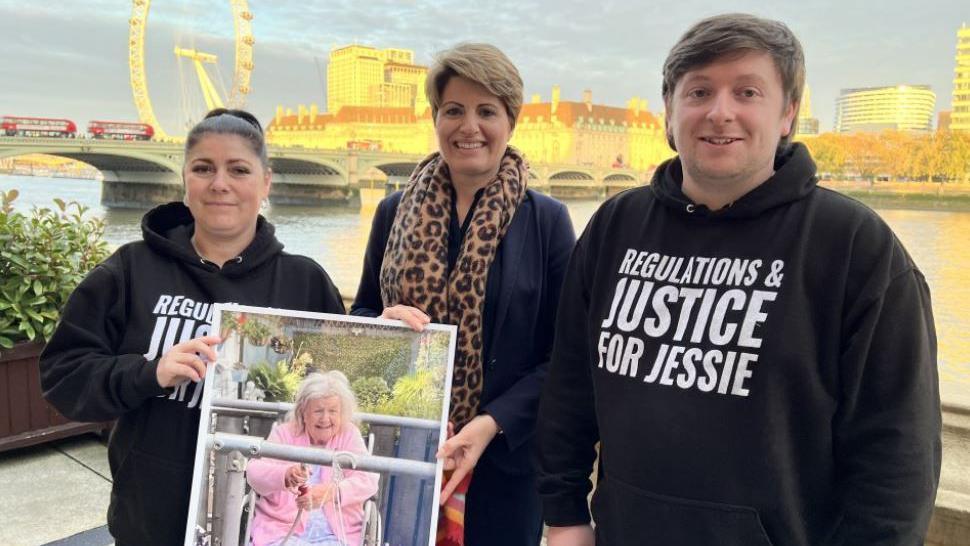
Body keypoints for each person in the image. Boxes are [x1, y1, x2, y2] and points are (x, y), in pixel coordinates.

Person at [536, 13, 941, 546]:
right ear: (670, 111)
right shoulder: (615, 226)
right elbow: (570, 385)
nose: (719, 112)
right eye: (699, 91)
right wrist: (563, 515)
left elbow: (898, 458)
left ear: (787, 114)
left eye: (747, 92)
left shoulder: (855, 249)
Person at [39, 108, 346, 546]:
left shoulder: (305, 281)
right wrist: (149, 373)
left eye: (238, 169)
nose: (219, 183)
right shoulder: (129, 269)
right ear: (185, 178)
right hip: (150, 524)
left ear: (265, 183)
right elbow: (62, 378)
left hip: (267, 527)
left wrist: (392, 334)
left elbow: (338, 392)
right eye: (204, 168)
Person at [351, 43, 575, 546]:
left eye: (486, 111)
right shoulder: (392, 213)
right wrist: (380, 327)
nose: (468, 126)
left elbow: (566, 352)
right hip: (404, 451)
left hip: (504, 464)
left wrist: (492, 423)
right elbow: (363, 311)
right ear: (436, 118)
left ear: (510, 122)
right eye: (453, 110)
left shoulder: (547, 221)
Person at [247, 371, 378, 546]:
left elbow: (368, 479)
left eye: (332, 411)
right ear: (303, 412)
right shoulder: (285, 433)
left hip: (337, 534)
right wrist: (285, 475)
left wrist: (332, 492)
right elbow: (255, 473)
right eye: (318, 411)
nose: (325, 419)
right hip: (282, 530)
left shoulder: (348, 434)